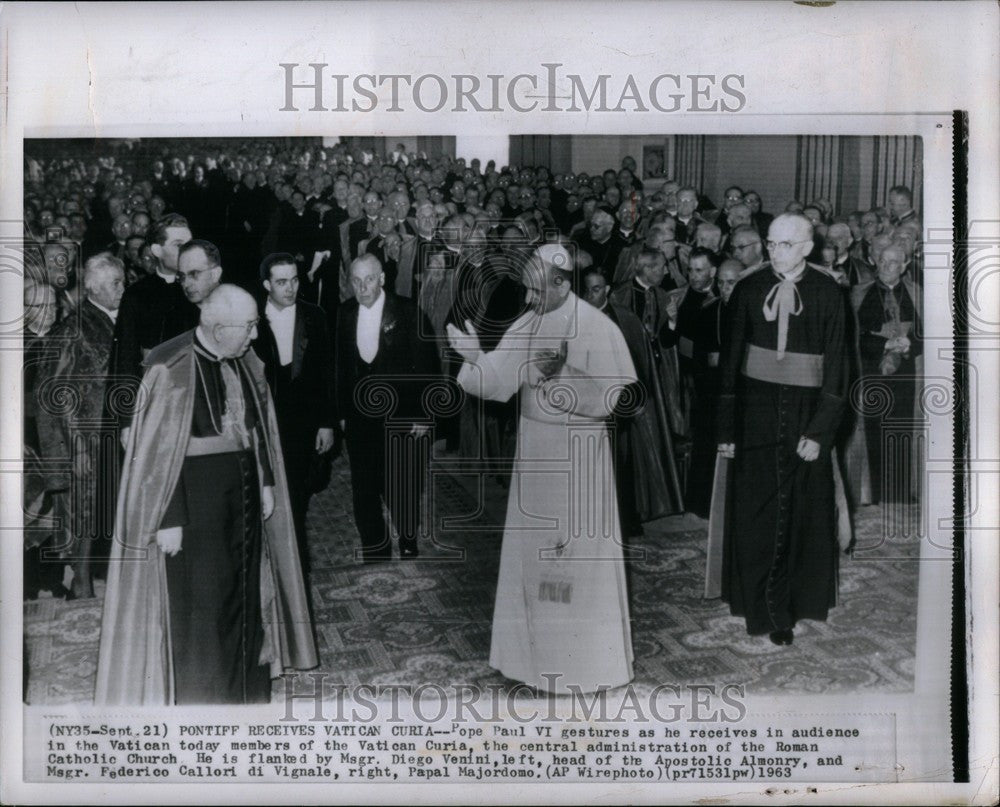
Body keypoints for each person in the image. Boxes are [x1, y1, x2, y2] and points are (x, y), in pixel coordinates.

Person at [95, 285, 316, 705]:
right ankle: (207, 702)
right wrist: (168, 516)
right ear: (217, 328)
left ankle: (247, 694)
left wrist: (266, 479)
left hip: (245, 500)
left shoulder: (241, 359)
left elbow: (255, 427)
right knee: (204, 609)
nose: (254, 336)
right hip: (195, 511)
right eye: (248, 327)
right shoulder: (169, 368)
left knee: (245, 598)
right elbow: (156, 453)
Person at [448, 244, 637, 694]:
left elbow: (620, 399)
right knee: (536, 556)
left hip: (579, 454)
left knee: (573, 558)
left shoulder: (596, 326)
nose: (529, 298)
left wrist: (565, 373)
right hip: (535, 451)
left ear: (561, 282)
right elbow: (497, 380)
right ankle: (536, 658)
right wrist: (474, 355)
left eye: (536, 289)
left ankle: (584, 664)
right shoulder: (527, 321)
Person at [717, 213, 847, 646]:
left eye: (785, 245)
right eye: (771, 244)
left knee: (800, 514)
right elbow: (731, 363)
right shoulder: (749, 288)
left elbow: (838, 369)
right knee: (756, 511)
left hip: (807, 415)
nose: (775, 252)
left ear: (807, 248)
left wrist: (820, 432)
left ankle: (787, 609)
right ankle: (758, 603)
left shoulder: (829, 293)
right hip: (756, 413)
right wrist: (726, 429)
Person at [335, 254, 438, 562]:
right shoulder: (344, 313)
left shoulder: (407, 311)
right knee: (363, 485)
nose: (362, 286)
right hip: (358, 417)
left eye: (369, 279)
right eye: (356, 280)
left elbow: (429, 368)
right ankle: (374, 547)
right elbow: (339, 367)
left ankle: (408, 540)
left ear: (381, 279)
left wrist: (424, 415)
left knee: (402, 483)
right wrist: (340, 412)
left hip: (402, 416)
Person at [35, 253, 126, 599]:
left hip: (114, 431)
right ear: (94, 288)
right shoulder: (74, 327)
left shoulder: (117, 319)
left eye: (121, 281)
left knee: (108, 507)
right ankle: (82, 579)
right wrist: (75, 447)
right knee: (83, 513)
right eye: (115, 283)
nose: (122, 288)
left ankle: (101, 575)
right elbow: (55, 392)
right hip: (84, 437)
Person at [253, 254, 336, 570]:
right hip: (265, 420)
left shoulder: (315, 316)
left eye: (295, 280)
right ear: (266, 285)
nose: (290, 288)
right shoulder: (254, 320)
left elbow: (328, 372)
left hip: (304, 421)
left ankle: (296, 564)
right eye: (281, 281)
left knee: (299, 495)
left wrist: (327, 423)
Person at [852, 243, 921, 503]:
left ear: (904, 266)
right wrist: (885, 343)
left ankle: (903, 494)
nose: (887, 266)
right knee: (875, 433)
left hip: (908, 377)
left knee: (903, 432)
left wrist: (909, 343)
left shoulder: (918, 294)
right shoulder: (859, 294)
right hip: (871, 375)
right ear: (874, 261)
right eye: (882, 261)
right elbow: (851, 337)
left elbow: (930, 334)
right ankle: (875, 493)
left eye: (893, 262)